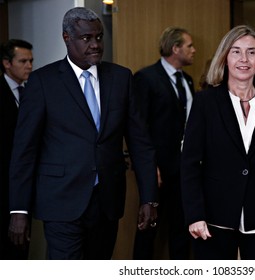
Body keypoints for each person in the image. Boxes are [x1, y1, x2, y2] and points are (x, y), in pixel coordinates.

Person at [7, 7, 158, 260]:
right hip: (60, 201)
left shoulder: (121, 78)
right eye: (86, 38)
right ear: (67, 38)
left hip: (107, 201)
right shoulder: (43, 82)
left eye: (98, 37)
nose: (95, 44)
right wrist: (18, 209)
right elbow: (25, 150)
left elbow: (141, 144)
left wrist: (149, 198)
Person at [180, 25, 255, 260]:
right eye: (236, 52)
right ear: (225, 58)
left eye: (251, 52)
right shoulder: (206, 103)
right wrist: (195, 215)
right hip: (213, 222)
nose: (243, 59)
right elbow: (190, 164)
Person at [132, 26, 195, 260]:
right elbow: (140, 127)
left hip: (184, 168)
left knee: (181, 226)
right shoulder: (146, 78)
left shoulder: (187, 80)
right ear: (175, 48)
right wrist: (150, 167)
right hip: (157, 168)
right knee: (149, 226)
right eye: (189, 45)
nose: (194, 50)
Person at [0, 39, 33, 260]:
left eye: (31, 60)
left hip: (24, 185)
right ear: (7, 63)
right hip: (3, 181)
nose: (29, 66)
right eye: (23, 61)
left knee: (21, 247)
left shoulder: (32, 90)